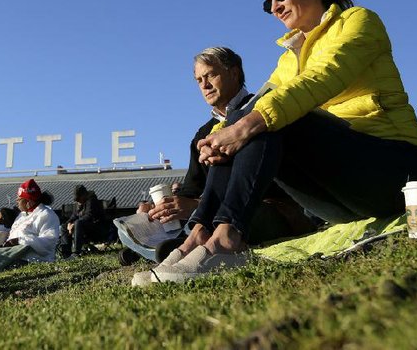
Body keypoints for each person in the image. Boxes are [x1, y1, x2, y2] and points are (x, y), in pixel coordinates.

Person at [146, 0, 417, 283]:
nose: (275, 7)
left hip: (396, 172)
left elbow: (325, 76)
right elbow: (254, 107)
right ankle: (199, 235)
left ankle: (226, 240)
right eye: (268, 3)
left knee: (264, 117)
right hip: (342, 200)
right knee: (249, 114)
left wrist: (243, 127)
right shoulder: (289, 58)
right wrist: (217, 140)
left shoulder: (359, 21)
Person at [124, 47, 315, 267]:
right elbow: (192, 188)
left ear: (234, 73)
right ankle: (183, 241)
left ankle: (187, 243)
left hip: (265, 205)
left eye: (210, 75)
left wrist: (196, 205)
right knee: (145, 224)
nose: (204, 85)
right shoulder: (203, 134)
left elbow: (268, 177)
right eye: (198, 80)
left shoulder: (262, 111)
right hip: (211, 212)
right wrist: (165, 208)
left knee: (224, 215)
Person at [60, 185, 108, 258]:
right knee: (64, 226)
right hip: (85, 228)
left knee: (78, 223)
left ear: (84, 195)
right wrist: (69, 224)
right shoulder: (80, 204)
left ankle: (76, 252)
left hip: (98, 229)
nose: (77, 201)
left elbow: (89, 216)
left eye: (78, 198)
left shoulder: (92, 201)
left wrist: (74, 224)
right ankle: (66, 253)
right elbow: (74, 216)